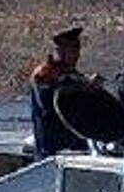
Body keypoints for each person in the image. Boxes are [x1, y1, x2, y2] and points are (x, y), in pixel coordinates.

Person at [29, 26, 91, 157]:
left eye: (78, 49)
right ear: (59, 51)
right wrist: (81, 88)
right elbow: (49, 105)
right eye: (72, 50)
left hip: (76, 145)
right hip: (52, 149)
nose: (77, 55)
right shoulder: (44, 74)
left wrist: (91, 88)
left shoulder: (75, 75)